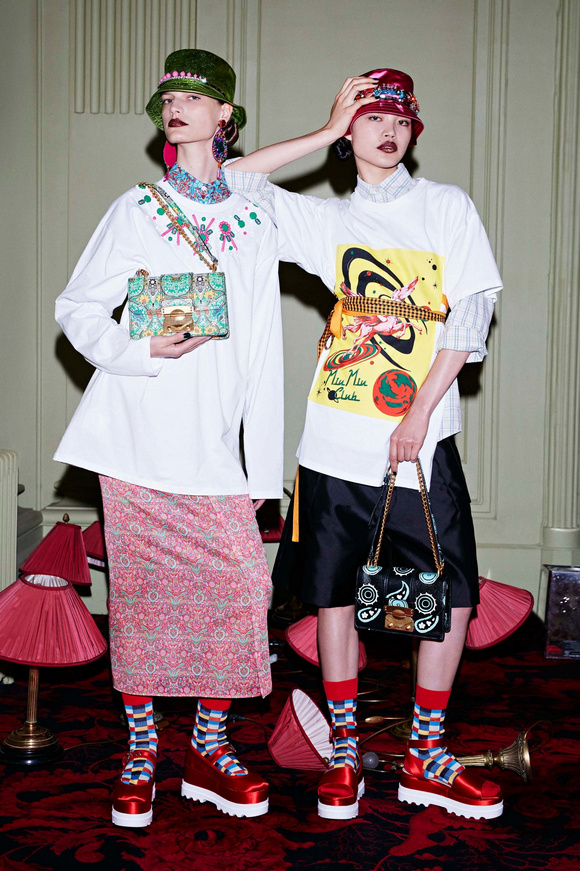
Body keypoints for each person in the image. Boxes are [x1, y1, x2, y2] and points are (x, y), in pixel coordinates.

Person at [224, 69, 503, 821]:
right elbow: (232, 182)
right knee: (335, 593)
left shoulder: (445, 206)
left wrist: (417, 413)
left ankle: (425, 754)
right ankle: (345, 752)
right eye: (372, 118)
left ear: (413, 132)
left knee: (452, 596)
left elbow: (469, 315)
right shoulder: (325, 220)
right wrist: (322, 130)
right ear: (351, 132)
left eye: (401, 120)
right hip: (332, 442)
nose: (389, 131)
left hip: (421, 441)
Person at [54, 49, 283, 827]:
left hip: (213, 447)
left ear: (225, 115)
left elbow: (264, 351)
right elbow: (78, 307)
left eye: (194, 95)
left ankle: (207, 746)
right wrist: (139, 348)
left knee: (243, 590)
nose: (177, 106)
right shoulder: (138, 208)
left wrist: (263, 469)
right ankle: (144, 748)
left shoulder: (254, 219)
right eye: (169, 98)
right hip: (135, 436)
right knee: (144, 601)